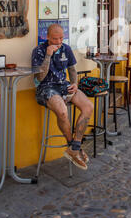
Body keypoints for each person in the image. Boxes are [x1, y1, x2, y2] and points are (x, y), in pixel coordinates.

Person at [31, 23, 93, 170]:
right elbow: (39, 77)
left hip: (64, 86)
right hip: (45, 89)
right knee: (63, 111)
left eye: (60, 38)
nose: (58, 42)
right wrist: (48, 55)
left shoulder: (66, 48)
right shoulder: (38, 51)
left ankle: (75, 147)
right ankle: (74, 148)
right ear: (47, 37)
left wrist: (75, 83)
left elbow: (72, 69)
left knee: (88, 106)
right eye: (54, 39)